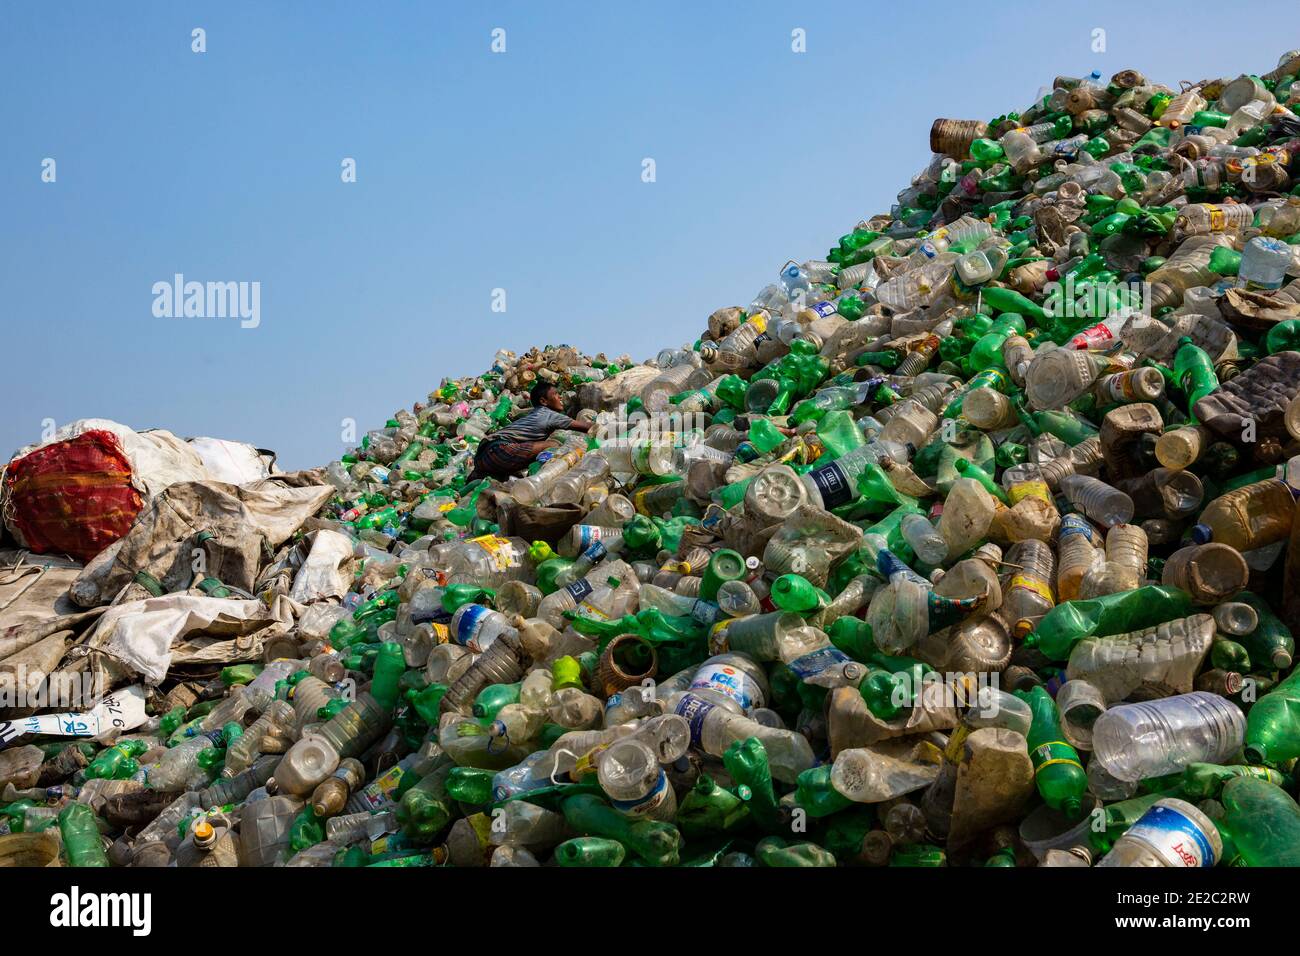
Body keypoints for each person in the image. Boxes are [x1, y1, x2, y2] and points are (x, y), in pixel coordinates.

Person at [467, 380, 591, 481]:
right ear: (543, 401)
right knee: (555, 444)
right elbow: (587, 427)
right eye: (555, 394)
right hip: (500, 450)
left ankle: (481, 479)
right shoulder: (549, 414)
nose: (560, 397)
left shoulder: (533, 414)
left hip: (482, 458)